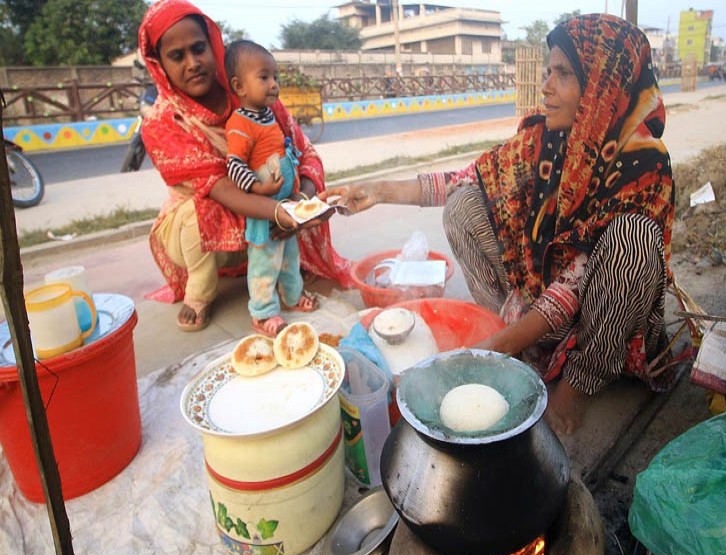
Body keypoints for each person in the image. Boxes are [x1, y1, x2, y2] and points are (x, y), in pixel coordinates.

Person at [322, 14, 675, 435]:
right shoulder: (547, 139)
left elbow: (577, 280)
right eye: (548, 71)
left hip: (607, 320)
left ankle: (578, 385)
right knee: (463, 204)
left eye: (563, 74)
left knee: (630, 241)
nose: (546, 85)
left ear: (603, 85)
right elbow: (466, 180)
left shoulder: (645, 164)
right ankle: (513, 337)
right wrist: (379, 191)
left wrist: (500, 347)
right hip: (543, 307)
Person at [138, 0, 350, 332]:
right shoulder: (163, 122)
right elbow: (220, 189)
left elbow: (306, 153)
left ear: (213, 46)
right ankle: (201, 291)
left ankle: (286, 285)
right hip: (203, 222)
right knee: (202, 213)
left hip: (270, 207)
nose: (193, 63)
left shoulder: (251, 90)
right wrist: (279, 212)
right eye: (177, 56)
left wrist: (301, 202)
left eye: (198, 49)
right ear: (160, 64)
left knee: (297, 187)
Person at [224, 40, 316, 336]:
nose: (273, 84)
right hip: (263, 213)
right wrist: (258, 189)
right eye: (264, 77)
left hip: (285, 206)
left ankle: (291, 296)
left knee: (290, 256)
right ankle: (263, 313)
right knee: (264, 263)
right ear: (239, 86)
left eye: (275, 77)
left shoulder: (269, 116)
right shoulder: (239, 123)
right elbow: (234, 165)